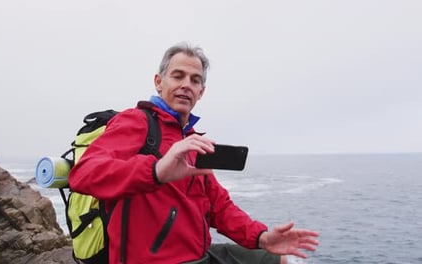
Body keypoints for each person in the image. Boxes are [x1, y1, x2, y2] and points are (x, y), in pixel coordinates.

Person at [69, 42, 319, 264]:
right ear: (159, 82)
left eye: (195, 80)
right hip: (152, 259)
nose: (186, 85)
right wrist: (156, 170)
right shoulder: (137, 122)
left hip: (198, 254)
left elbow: (219, 207)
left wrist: (261, 237)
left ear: (201, 91)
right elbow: (83, 175)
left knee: (275, 258)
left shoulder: (191, 139)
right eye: (178, 76)